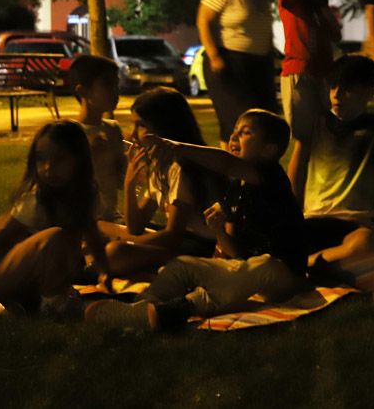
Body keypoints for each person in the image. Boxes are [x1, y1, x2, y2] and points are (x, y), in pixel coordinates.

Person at [85, 110, 307, 330]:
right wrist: (219, 230)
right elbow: (236, 254)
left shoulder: (271, 177)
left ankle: (178, 310)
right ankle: (140, 306)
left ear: (269, 150)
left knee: (261, 266)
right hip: (248, 270)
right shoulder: (236, 189)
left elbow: (227, 164)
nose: (234, 137)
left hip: (286, 276)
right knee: (182, 266)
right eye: (235, 130)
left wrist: (176, 147)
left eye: (245, 133)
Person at [0, 120, 111, 316]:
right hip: (6, 278)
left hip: (33, 282)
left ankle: (42, 300)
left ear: (79, 160)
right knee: (54, 237)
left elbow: (92, 234)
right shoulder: (36, 199)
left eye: (60, 159)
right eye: (41, 159)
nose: (48, 168)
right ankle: (53, 303)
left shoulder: (85, 194)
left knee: (71, 244)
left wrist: (106, 273)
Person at [299, 55, 374, 289]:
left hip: (354, 225)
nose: (336, 95)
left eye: (347, 88)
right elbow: (295, 175)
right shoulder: (316, 123)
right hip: (312, 221)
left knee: (367, 244)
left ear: (368, 92)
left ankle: (303, 265)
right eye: (333, 87)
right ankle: (326, 266)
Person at [101, 88, 228, 275]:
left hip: (202, 247)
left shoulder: (181, 166)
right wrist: (130, 183)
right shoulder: (161, 163)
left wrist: (126, 240)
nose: (133, 134)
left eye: (141, 125)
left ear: (164, 127)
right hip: (182, 241)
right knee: (104, 231)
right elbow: (135, 226)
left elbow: (172, 236)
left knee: (115, 252)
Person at [197, 0, 276, 146]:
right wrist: (214, 55)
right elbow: (203, 20)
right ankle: (230, 166)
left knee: (263, 121)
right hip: (230, 62)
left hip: (258, 64)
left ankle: (254, 169)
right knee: (237, 121)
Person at [277, 0, 341, 189]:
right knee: (303, 141)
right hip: (298, 73)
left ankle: (322, 194)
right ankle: (294, 203)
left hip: (325, 73)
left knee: (327, 138)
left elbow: (335, 33)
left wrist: (320, 2)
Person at [68, 54, 126, 222]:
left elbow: (121, 181)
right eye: (107, 85)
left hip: (111, 217)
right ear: (83, 91)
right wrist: (87, 156)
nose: (116, 92)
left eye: (116, 85)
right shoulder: (70, 133)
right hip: (81, 221)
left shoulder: (113, 130)